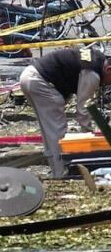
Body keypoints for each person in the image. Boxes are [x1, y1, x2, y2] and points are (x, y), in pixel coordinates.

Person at [20, 48, 111, 177]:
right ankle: (61, 174)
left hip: (31, 76)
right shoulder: (93, 73)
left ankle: (57, 170)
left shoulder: (98, 58)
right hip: (41, 82)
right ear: (109, 70)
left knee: (49, 132)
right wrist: (90, 142)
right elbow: (83, 109)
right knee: (57, 132)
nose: (109, 84)